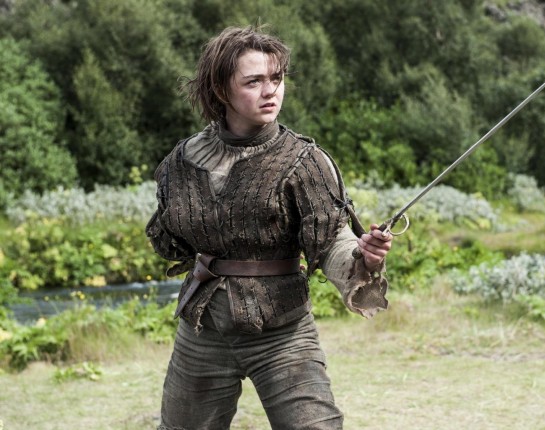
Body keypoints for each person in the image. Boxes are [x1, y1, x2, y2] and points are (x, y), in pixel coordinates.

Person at [146, 24, 394, 430]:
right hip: (204, 329)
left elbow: (331, 240)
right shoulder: (182, 161)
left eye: (276, 79)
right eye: (254, 81)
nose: (270, 91)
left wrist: (362, 257)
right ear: (221, 90)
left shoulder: (305, 161)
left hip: (283, 332)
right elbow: (170, 239)